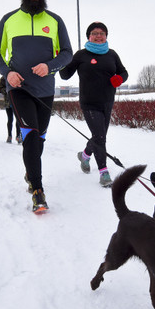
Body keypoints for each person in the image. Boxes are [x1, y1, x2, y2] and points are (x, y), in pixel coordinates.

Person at [0, 0, 73, 214]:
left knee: (40, 139)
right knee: (30, 135)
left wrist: (50, 66)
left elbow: (67, 53)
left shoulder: (55, 21)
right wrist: (8, 73)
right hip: (19, 89)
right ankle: (38, 190)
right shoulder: (8, 20)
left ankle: (30, 172)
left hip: (45, 91)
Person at [59, 21, 128, 188]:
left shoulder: (112, 54)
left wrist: (120, 78)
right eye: (95, 33)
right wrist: (60, 60)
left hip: (107, 101)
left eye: (102, 33)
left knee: (99, 136)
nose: (98, 36)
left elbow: (124, 72)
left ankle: (85, 155)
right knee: (100, 137)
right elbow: (65, 75)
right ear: (89, 36)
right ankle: (103, 172)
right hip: (89, 102)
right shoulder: (81, 55)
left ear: (106, 36)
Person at [0, 75, 21, 143]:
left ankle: (18, 136)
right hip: (8, 102)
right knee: (10, 119)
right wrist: (8, 90)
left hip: (18, 102)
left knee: (18, 120)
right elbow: (0, 89)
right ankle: (9, 136)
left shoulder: (18, 75)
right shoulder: (3, 78)